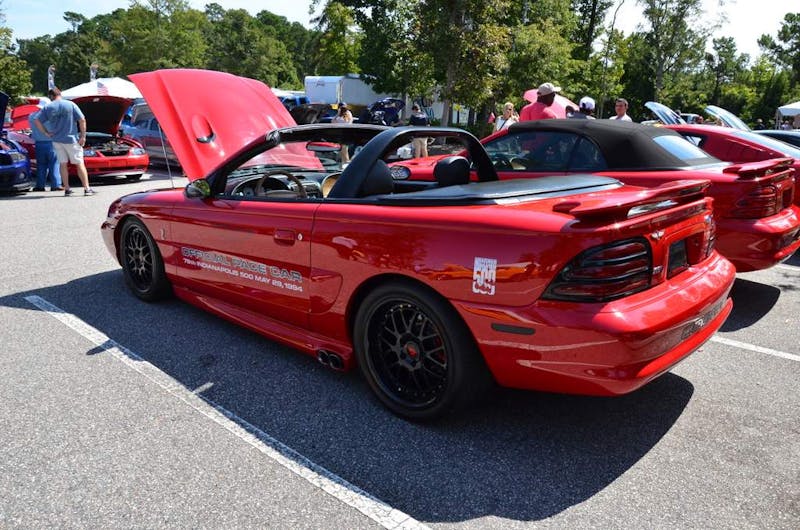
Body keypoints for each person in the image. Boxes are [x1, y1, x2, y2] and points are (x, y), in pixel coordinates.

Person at [32, 87, 95, 196]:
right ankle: (86, 188)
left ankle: (67, 189)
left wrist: (46, 133)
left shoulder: (48, 107)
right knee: (79, 163)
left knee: (62, 164)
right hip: (71, 139)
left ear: (51, 96)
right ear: (60, 94)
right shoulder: (71, 105)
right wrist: (83, 136)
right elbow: (82, 119)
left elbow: (37, 120)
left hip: (57, 140)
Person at [29, 104, 63, 192]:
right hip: (52, 143)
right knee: (54, 164)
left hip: (39, 143)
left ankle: (40, 186)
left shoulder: (31, 116)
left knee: (41, 165)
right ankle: (56, 185)